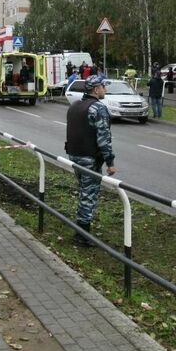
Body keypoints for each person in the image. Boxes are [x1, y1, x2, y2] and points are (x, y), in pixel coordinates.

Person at [65, 75, 117, 247]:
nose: (105, 89)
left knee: (83, 191)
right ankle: (82, 235)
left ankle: (82, 229)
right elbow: (104, 139)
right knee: (88, 195)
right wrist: (110, 163)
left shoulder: (74, 106)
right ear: (96, 89)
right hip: (89, 159)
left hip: (74, 155)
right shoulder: (98, 109)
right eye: (103, 86)